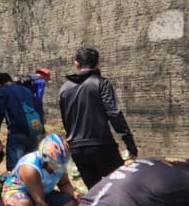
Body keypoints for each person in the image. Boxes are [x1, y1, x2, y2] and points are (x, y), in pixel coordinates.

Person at [58, 47, 137, 189]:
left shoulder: (64, 89)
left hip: (77, 149)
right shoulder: (101, 83)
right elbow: (114, 114)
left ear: (76, 64)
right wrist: (129, 143)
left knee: (95, 192)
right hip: (101, 145)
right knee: (119, 188)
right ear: (98, 64)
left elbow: (66, 120)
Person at [2, 133, 78, 206]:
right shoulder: (30, 168)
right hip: (19, 193)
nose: (58, 168)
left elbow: (64, 184)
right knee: (23, 205)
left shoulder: (59, 165)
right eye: (55, 164)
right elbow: (40, 201)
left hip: (43, 193)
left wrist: (76, 195)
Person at [0, 72, 47, 171]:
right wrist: (42, 129)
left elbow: (0, 112)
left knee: (15, 167)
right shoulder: (26, 90)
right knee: (31, 165)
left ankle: (16, 185)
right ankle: (31, 185)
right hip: (33, 131)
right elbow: (38, 107)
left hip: (17, 132)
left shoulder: (3, 91)